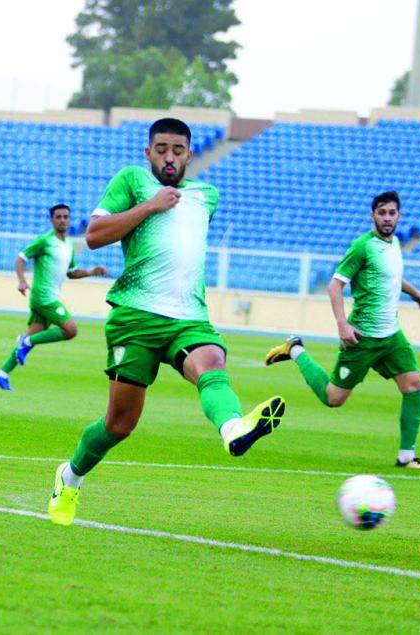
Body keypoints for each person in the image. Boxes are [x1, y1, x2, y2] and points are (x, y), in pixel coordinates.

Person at [46, 118, 287, 526]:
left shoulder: (207, 196)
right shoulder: (132, 180)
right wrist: (150, 205)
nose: (169, 157)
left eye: (177, 150)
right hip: (135, 317)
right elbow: (94, 235)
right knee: (120, 425)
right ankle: (69, 477)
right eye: (161, 150)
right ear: (148, 153)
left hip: (189, 316)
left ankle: (233, 428)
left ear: (190, 154)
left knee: (211, 363)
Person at [265, 191, 420, 470]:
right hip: (362, 337)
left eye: (392, 213)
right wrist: (342, 324)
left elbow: (392, 277)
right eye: (382, 213)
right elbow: (336, 284)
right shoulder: (362, 246)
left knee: (413, 385)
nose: (387, 218)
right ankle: (295, 349)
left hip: (391, 336)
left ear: (399, 216)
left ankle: (407, 457)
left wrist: (416, 293)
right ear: (373, 216)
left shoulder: (394, 244)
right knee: (334, 398)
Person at [0, 203, 107, 391]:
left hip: (50, 297)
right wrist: (22, 281)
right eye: (58, 217)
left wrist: (92, 271)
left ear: (69, 220)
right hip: (43, 297)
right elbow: (21, 258)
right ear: (52, 220)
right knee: (71, 330)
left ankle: (2, 374)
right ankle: (25, 341)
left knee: (33, 336)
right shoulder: (44, 241)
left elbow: (72, 273)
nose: (62, 220)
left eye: (65, 217)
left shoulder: (69, 245)